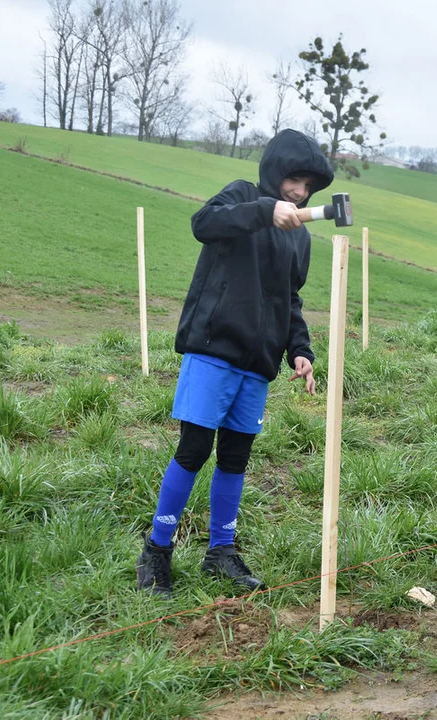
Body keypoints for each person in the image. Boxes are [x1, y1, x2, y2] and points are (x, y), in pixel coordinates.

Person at [135, 129, 333, 599]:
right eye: (294, 181)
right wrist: (265, 211)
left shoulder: (300, 238)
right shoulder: (242, 196)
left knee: (236, 457)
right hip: (214, 348)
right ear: (276, 171)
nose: (300, 192)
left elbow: (290, 299)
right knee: (195, 447)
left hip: (257, 363)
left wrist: (300, 350)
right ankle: (157, 551)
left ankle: (219, 553)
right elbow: (203, 223)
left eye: (308, 186)